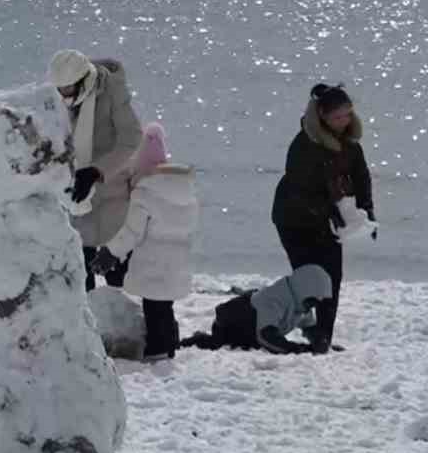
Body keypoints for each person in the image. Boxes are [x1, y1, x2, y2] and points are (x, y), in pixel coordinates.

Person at [271, 84, 376, 354]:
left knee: (333, 276)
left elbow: (362, 178)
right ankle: (307, 330)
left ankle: (323, 338)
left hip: (327, 220)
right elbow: (299, 189)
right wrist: (328, 214)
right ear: (323, 116)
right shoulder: (305, 144)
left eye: (348, 114)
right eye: (338, 116)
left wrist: (367, 214)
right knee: (310, 277)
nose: (345, 121)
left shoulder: (350, 145)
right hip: (294, 219)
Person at [89, 123, 198, 361]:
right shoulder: (185, 190)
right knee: (164, 306)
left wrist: (110, 252)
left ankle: (158, 351)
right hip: (177, 261)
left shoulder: (146, 193)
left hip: (153, 261)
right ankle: (168, 346)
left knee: (154, 308)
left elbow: (131, 232)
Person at [47, 50, 144, 292]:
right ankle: (84, 328)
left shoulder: (112, 92)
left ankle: (124, 325)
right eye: (59, 89)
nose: (63, 95)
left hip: (111, 195)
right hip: (76, 197)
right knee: (80, 279)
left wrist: (96, 171)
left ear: (83, 81)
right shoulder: (57, 97)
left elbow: (131, 140)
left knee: (118, 279)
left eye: (68, 89)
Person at [180, 265, 333, 354]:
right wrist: (300, 349)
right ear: (303, 290)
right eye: (312, 300)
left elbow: (310, 327)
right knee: (224, 343)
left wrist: (320, 340)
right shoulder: (274, 299)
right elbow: (267, 337)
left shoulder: (300, 303)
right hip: (231, 322)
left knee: (250, 345)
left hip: (255, 328)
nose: (313, 305)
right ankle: (193, 341)